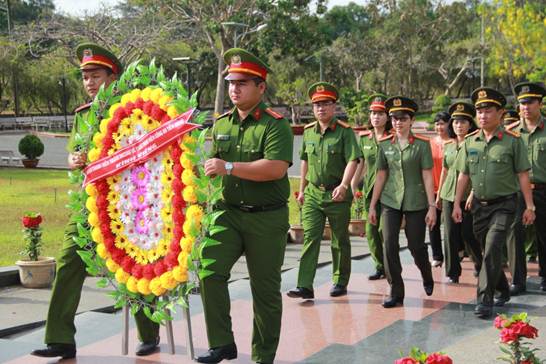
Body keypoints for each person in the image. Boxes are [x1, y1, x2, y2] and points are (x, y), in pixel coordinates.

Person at [31, 43, 159, 359]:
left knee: (131, 268)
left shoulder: (132, 111)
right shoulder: (83, 116)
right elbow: (76, 158)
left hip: (128, 206)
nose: (89, 82)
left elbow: (145, 157)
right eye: (85, 76)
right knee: (68, 263)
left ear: (113, 76)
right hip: (89, 205)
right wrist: (74, 160)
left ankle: (149, 332)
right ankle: (60, 337)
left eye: (95, 74)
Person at [199, 48, 293, 364]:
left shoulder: (275, 124)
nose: (234, 89)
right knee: (209, 271)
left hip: (266, 219)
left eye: (242, 83)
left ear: (261, 87)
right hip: (227, 214)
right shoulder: (221, 123)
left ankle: (262, 357)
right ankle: (222, 343)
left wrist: (229, 167)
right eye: (231, 83)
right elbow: (211, 167)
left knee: (264, 292)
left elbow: (276, 168)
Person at [452, 87, 535, 319]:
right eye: (479, 111)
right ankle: (502, 288)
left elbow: (522, 175)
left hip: (505, 204)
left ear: (500, 113)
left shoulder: (513, 141)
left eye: (488, 111)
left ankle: (484, 300)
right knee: (481, 250)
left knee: (492, 248)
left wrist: (529, 206)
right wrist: (457, 203)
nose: (482, 115)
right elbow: (463, 175)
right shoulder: (471, 141)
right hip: (479, 205)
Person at [287, 82, 361, 299]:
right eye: (317, 105)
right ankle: (305, 285)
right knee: (310, 237)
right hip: (312, 194)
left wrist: (345, 185)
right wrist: (301, 190)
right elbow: (304, 161)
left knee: (339, 239)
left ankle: (340, 280)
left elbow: (353, 160)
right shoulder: (309, 132)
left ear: (334, 106)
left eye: (326, 104)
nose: (321, 108)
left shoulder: (345, 133)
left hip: (337, 194)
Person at [368, 96, 436, 308]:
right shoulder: (385, 144)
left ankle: (426, 273)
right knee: (389, 245)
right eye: (394, 118)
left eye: (403, 118)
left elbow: (427, 176)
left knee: (416, 246)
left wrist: (432, 206)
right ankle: (395, 291)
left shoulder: (422, 145)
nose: (398, 122)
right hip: (390, 201)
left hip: (416, 202)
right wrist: (373, 205)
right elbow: (380, 176)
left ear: (411, 120)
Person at [505, 82, 546, 292]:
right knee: (514, 235)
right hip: (517, 191)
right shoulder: (510, 132)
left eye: (530, 102)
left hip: (543, 189)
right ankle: (518, 280)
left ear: (540, 103)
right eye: (522, 103)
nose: (525, 107)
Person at [436, 102, 482, 283]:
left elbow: (478, 172)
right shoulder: (448, 145)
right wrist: (439, 194)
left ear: (470, 124)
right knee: (449, 233)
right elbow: (444, 171)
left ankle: (479, 264)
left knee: (468, 233)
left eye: (463, 122)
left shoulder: (476, 144)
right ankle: (452, 272)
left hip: (468, 194)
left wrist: (473, 194)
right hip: (448, 193)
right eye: (455, 122)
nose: (459, 125)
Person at [351, 93, 391, 280]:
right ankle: (379, 266)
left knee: (385, 231)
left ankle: (391, 265)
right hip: (369, 192)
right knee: (371, 231)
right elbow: (360, 163)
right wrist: (352, 185)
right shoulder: (365, 138)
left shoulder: (393, 138)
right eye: (373, 113)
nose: (376, 117)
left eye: (380, 113)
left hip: (389, 193)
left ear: (387, 117)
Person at [429, 112, 453, 267]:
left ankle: (458, 250)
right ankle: (437, 255)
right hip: (433, 188)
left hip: (451, 189)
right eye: (437, 123)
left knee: (452, 224)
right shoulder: (429, 143)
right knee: (433, 223)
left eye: (443, 123)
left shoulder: (455, 142)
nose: (440, 127)